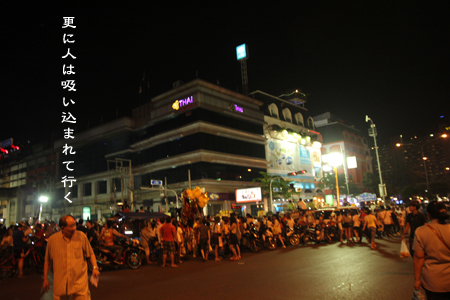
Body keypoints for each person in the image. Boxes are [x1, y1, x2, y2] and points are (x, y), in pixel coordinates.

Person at [43, 215, 100, 299]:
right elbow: (47, 261)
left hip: (79, 283)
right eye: (71, 226)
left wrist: (95, 267)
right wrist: (45, 279)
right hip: (61, 284)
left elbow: (90, 253)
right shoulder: (52, 240)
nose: (74, 228)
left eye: (74, 225)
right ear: (62, 228)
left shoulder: (81, 236)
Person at [413, 201, 450, 299]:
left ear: (428, 215)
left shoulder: (421, 231)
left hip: (433, 282)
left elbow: (418, 257)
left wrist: (417, 280)